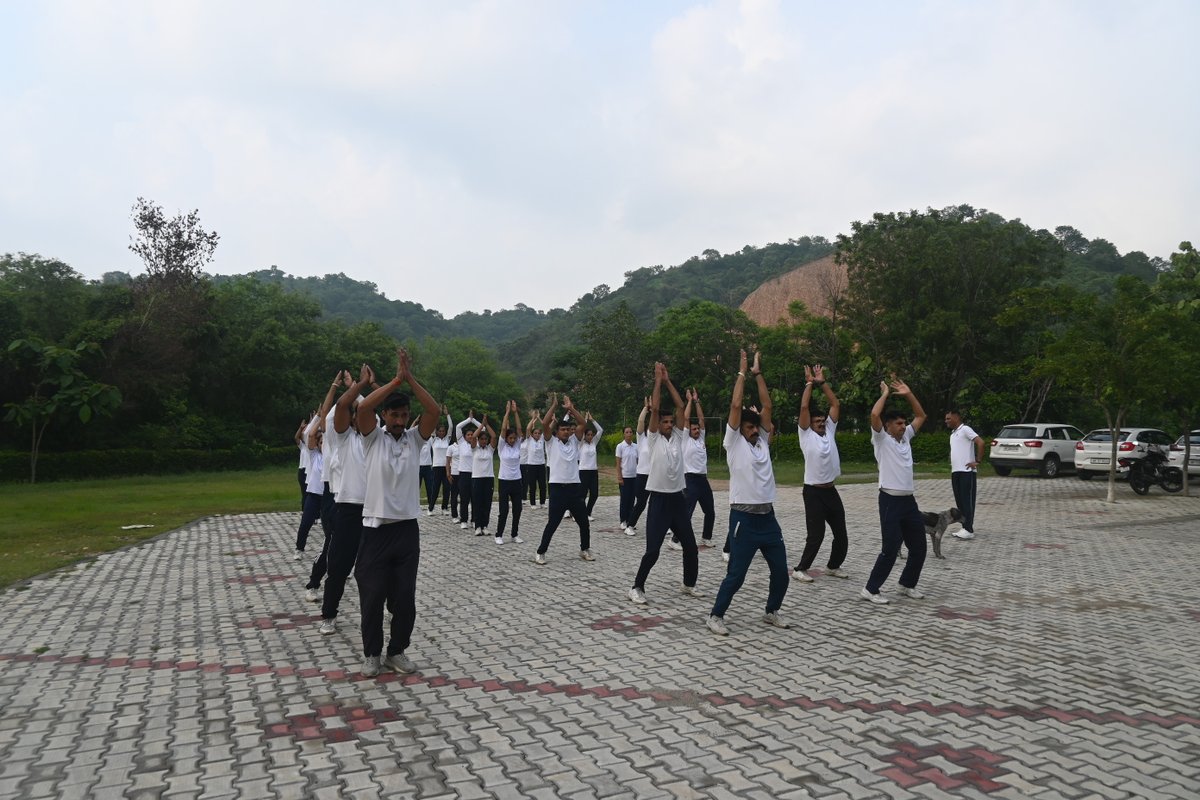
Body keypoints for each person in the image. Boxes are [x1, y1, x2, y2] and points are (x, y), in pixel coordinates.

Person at [354, 348, 439, 677]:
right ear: (385, 416)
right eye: (395, 415)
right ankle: (372, 654)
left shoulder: (415, 441)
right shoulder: (372, 438)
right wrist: (394, 381)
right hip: (375, 530)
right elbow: (363, 407)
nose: (401, 421)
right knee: (373, 595)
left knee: (404, 598)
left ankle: (397, 651)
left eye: (404, 416)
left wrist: (410, 379)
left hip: (406, 531)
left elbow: (431, 409)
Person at [707, 350, 791, 635]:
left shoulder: (762, 442)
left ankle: (771, 610)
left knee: (781, 572)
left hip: (768, 518)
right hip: (743, 518)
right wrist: (742, 372)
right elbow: (735, 404)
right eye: (750, 426)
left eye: (757, 426)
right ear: (739, 429)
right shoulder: (734, 443)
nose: (755, 430)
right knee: (736, 575)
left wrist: (758, 374)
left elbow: (767, 406)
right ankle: (716, 615)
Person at [628, 363, 702, 605]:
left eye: (671, 422)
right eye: (666, 422)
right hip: (659, 500)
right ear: (658, 425)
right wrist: (657, 381)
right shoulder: (653, 438)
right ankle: (637, 587)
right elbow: (656, 408)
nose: (670, 424)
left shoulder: (680, 437)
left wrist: (669, 381)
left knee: (691, 547)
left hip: (677, 499)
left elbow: (681, 406)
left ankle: (688, 584)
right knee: (653, 550)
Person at [861, 376, 928, 605]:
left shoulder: (906, 438)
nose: (903, 426)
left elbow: (921, 416)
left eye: (903, 423)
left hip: (909, 502)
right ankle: (871, 589)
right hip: (889, 500)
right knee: (889, 549)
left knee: (919, 547)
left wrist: (908, 394)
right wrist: (884, 394)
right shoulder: (881, 440)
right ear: (888, 426)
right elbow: (874, 416)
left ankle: (906, 584)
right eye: (898, 424)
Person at [318, 363, 371, 636]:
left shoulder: (376, 439)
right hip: (348, 509)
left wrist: (361, 390)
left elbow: (368, 409)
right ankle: (329, 613)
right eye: (355, 415)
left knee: (375, 568)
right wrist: (357, 386)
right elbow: (340, 407)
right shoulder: (342, 438)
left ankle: (384, 607)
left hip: (375, 510)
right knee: (338, 566)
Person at [791, 365, 851, 583]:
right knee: (816, 535)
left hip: (831, 490)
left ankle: (833, 566)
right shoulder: (806, 435)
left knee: (841, 534)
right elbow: (804, 406)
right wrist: (809, 383)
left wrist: (822, 382)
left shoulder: (829, 431)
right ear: (810, 424)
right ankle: (800, 569)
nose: (821, 424)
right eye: (817, 422)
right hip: (813, 492)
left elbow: (835, 404)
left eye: (822, 421)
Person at [531, 394, 592, 565]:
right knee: (553, 523)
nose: (566, 432)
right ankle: (540, 552)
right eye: (563, 430)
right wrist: (554, 405)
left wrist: (571, 408)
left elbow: (583, 424)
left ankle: (585, 549)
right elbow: (544, 424)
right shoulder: (551, 442)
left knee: (584, 522)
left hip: (574, 487)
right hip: (557, 488)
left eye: (568, 430)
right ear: (557, 432)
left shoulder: (574, 441)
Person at [676, 389, 715, 549]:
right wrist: (689, 401)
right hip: (690, 480)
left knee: (710, 512)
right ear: (689, 431)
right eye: (694, 429)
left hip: (703, 480)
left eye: (698, 429)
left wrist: (697, 401)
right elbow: (686, 418)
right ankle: (675, 540)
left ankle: (706, 538)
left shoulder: (701, 439)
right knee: (687, 513)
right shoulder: (685, 440)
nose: (697, 431)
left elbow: (701, 418)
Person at [945, 409, 983, 540]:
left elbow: (980, 442)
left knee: (967, 501)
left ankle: (969, 529)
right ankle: (964, 526)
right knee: (960, 501)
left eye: (949, 419)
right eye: (946, 419)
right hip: (955, 471)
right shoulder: (953, 433)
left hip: (967, 472)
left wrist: (977, 461)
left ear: (956, 417)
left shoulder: (965, 429)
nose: (946, 421)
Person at [495, 401, 526, 545]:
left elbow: (520, 429)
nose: (513, 440)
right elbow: (502, 429)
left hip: (516, 480)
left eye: (514, 438)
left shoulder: (517, 445)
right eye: (510, 438)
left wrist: (515, 412)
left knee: (517, 509)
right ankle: (499, 534)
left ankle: (514, 534)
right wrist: (507, 412)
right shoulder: (502, 447)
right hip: (504, 480)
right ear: (506, 438)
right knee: (504, 510)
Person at [624, 398, 652, 535]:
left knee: (661, 502)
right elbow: (641, 421)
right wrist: (647, 409)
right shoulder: (642, 439)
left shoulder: (659, 438)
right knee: (641, 503)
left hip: (656, 475)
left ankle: (664, 525)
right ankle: (630, 525)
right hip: (642, 474)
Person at [471, 415, 497, 537]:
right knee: (477, 502)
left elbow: (494, 436)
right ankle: (477, 526)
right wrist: (481, 425)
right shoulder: (475, 449)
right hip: (477, 478)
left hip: (488, 478)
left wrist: (487, 425)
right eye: (482, 439)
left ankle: (485, 525)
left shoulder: (490, 450)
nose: (484, 441)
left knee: (487, 503)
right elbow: (474, 436)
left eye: (485, 439)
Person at [452, 412, 479, 529]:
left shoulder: (476, 444)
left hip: (475, 474)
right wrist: (469, 419)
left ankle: (474, 519)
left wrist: (475, 421)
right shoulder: (461, 443)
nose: (470, 436)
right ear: (464, 436)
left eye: (472, 434)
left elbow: (481, 428)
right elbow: (458, 427)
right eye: (468, 434)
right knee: (464, 498)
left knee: (475, 499)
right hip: (463, 474)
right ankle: (464, 520)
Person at [578, 413, 604, 521]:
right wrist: (584, 420)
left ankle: (588, 512)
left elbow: (600, 430)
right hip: (583, 471)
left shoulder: (594, 443)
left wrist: (592, 420)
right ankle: (579, 513)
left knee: (594, 494)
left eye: (591, 435)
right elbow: (580, 432)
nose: (590, 436)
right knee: (582, 495)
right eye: (588, 435)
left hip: (593, 472)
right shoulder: (580, 443)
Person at [428, 406, 453, 515]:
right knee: (435, 488)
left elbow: (451, 426)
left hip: (446, 467)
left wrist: (447, 414)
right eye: (440, 431)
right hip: (437, 467)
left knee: (447, 488)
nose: (442, 432)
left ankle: (444, 508)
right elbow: (432, 426)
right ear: (437, 432)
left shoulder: (447, 439)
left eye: (443, 431)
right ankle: (431, 508)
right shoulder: (434, 439)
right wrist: (437, 414)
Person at [614, 425, 638, 535]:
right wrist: (619, 476)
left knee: (632, 499)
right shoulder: (620, 446)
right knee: (625, 499)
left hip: (634, 476)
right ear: (624, 434)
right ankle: (623, 520)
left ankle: (630, 520)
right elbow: (618, 463)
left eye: (630, 432)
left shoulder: (635, 447)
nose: (629, 434)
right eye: (627, 432)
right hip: (625, 476)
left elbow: (638, 461)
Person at [524, 419, 547, 508]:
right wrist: (533, 419)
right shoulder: (529, 440)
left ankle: (542, 502)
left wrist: (541, 421)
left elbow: (546, 428)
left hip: (541, 465)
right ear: (532, 434)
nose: (537, 434)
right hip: (531, 466)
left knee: (542, 485)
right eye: (535, 433)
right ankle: (533, 503)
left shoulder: (542, 439)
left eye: (538, 433)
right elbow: (528, 429)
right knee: (532, 485)